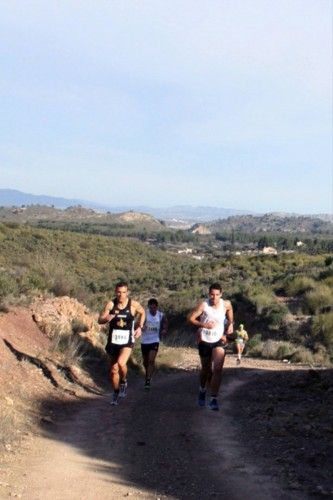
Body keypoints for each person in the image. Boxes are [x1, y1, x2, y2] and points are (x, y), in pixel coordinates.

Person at [188, 283, 234, 411]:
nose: (214, 297)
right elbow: (190, 318)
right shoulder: (204, 305)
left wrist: (230, 324)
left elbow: (230, 312)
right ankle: (202, 390)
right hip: (205, 340)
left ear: (221, 294)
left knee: (217, 369)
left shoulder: (226, 304)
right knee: (206, 370)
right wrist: (203, 325)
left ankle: (214, 399)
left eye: (217, 295)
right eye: (212, 295)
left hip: (219, 340)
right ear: (209, 294)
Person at [98, 281, 145, 405]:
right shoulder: (110, 304)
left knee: (120, 363)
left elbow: (143, 312)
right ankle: (116, 391)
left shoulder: (133, 305)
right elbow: (100, 320)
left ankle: (123, 380)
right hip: (113, 341)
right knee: (113, 369)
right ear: (115, 292)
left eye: (124, 292)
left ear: (127, 292)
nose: (121, 295)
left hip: (127, 340)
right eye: (118, 292)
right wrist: (106, 318)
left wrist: (140, 326)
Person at [141, 298, 168, 390]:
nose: (153, 309)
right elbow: (138, 324)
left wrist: (164, 329)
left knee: (151, 360)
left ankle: (148, 380)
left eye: (154, 307)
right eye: (151, 308)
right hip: (144, 341)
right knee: (145, 362)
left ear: (157, 307)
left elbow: (165, 323)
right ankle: (148, 373)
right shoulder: (144, 314)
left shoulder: (161, 315)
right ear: (148, 307)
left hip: (154, 340)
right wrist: (141, 327)